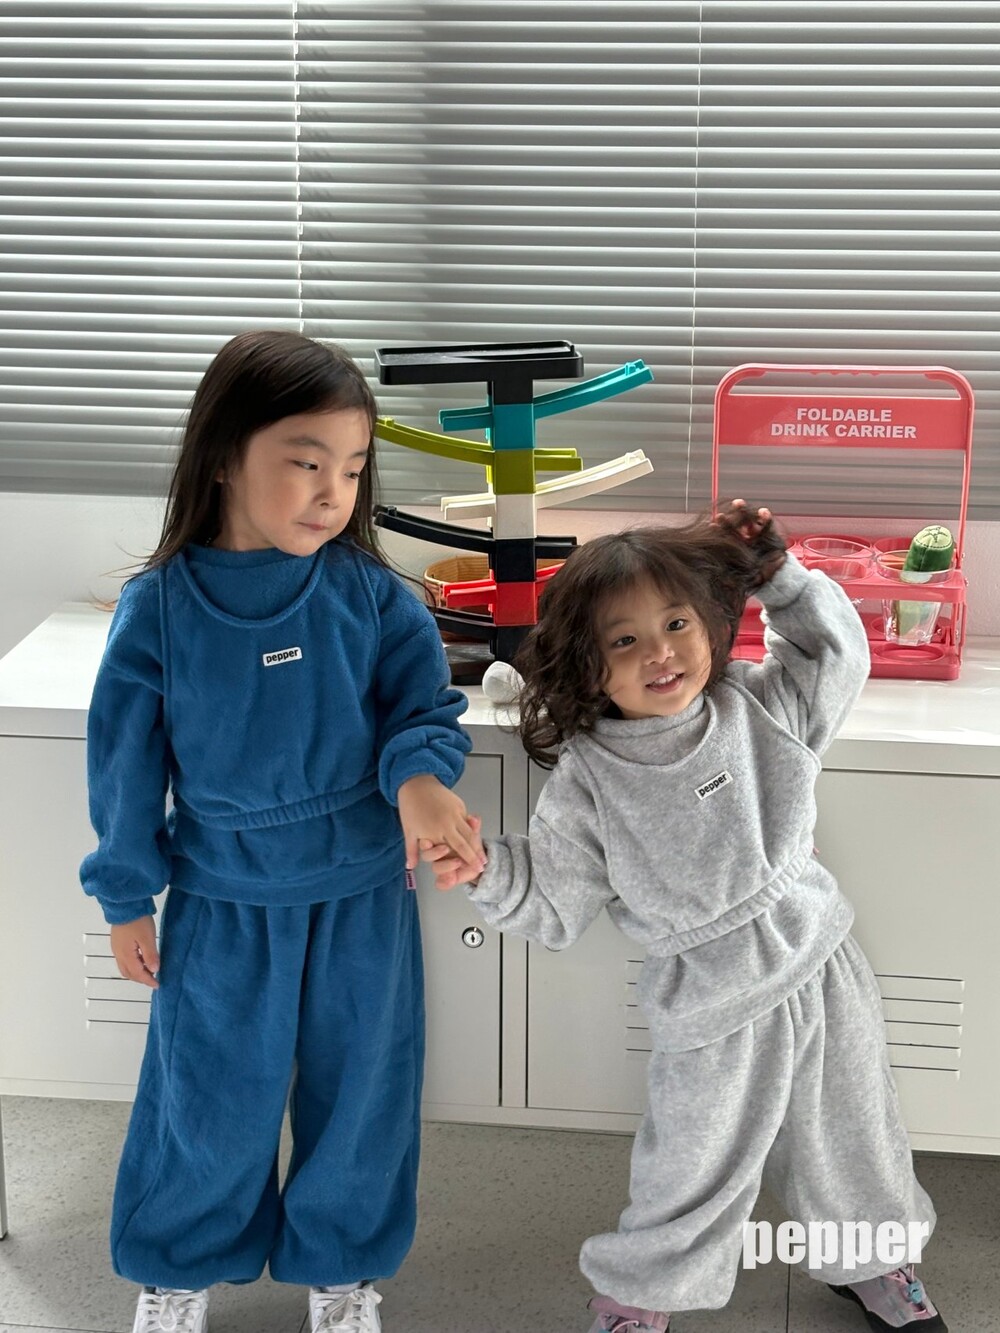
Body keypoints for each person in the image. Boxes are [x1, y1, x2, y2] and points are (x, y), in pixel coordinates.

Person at [422, 503, 946, 1333]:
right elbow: (554, 897)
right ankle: (639, 1298)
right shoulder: (591, 775)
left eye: (675, 624)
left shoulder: (759, 706)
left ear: (709, 624)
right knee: (690, 1165)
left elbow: (834, 655)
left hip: (818, 962)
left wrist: (781, 579)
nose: (660, 652)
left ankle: (875, 1262)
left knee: (853, 1131)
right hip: (708, 1001)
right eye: (624, 639)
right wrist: (485, 867)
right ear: (589, 664)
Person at [80, 330, 486, 1333]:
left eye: (351, 469)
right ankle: (176, 1269)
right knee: (206, 1099)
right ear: (226, 455)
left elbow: (422, 712)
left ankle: (342, 1271)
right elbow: (124, 765)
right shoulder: (158, 609)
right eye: (306, 463)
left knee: (362, 1098)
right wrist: (125, 895)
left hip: (361, 895)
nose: (332, 492)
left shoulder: (371, 595)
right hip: (222, 902)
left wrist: (421, 784)